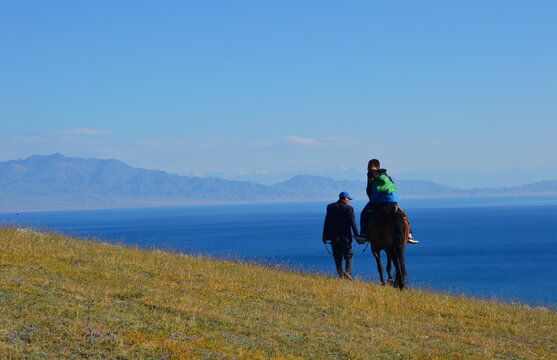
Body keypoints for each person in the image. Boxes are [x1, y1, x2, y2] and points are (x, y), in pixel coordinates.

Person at [353, 159, 418, 244]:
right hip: (394, 200)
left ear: (377, 167)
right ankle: (409, 234)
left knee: (365, 213)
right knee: (402, 215)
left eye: (370, 168)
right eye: (368, 168)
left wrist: (372, 199)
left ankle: (364, 234)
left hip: (382, 201)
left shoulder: (375, 177)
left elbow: (375, 193)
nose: (368, 170)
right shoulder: (386, 176)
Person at [323, 191, 359, 280]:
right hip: (346, 239)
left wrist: (325, 237)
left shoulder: (331, 207)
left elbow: (327, 223)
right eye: (349, 199)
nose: (349, 201)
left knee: (338, 259)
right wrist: (357, 236)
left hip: (334, 239)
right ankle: (348, 273)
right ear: (345, 198)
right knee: (349, 257)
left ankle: (341, 276)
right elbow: (353, 223)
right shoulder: (349, 209)